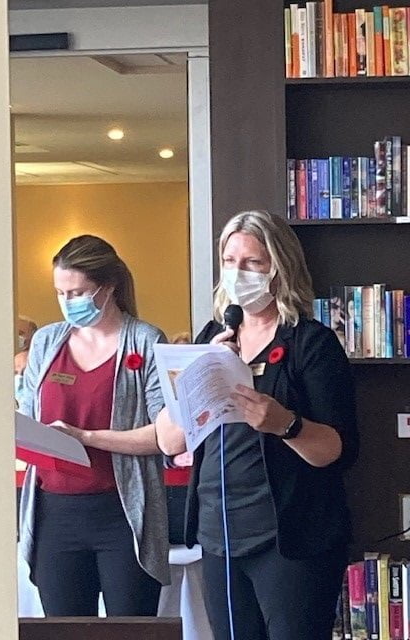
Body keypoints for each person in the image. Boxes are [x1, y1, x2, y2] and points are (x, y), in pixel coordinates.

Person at [156, 210, 359, 640]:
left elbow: (338, 449)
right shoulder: (213, 336)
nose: (238, 273)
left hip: (289, 537)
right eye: (229, 262)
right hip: (219, 533)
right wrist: (195, 378)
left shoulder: (311, 343)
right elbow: (169, 440)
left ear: (279, 268)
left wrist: (286, 424)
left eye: (252, 263)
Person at [18, 234, 170, 617]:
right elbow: (28, 415)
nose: (68, 302)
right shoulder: (46, 342)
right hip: (54, 513)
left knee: (131, 629)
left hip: (122, 512)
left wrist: (85, 438)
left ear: (108, 287)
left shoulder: (145, 341)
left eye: (78, 293)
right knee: (63, 629)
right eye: (60, 293)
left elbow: (162, 436)